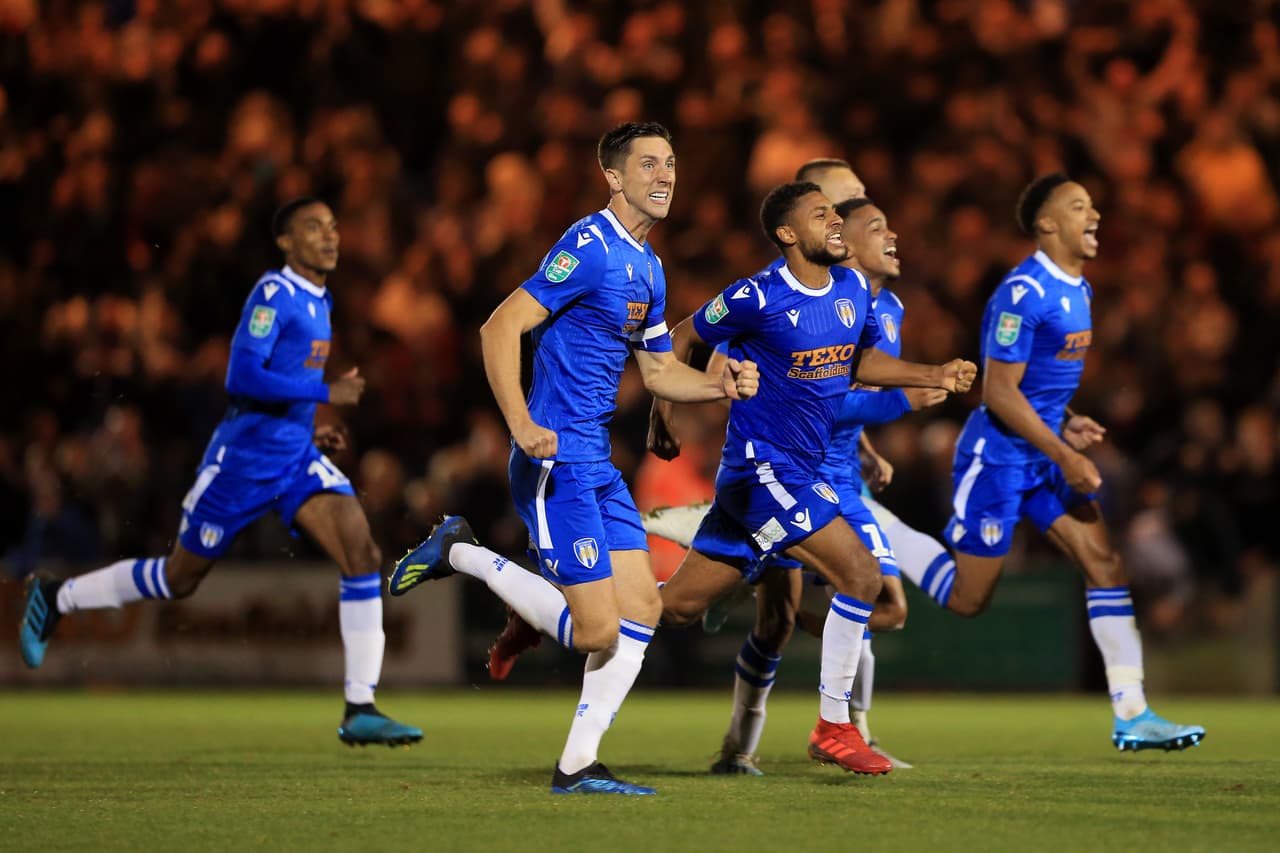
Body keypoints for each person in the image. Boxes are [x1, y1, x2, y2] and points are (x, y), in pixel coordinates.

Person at [385, 122, 759, 796]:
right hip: (553, 461)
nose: (664, 175)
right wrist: (522, 423)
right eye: (648, 164)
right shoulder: (587, 246)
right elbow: (499, 325)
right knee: (596, 629)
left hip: (597, 464)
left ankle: (577, 765)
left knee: (642, 610)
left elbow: (657, 370)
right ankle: (458, 550)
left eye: (670, 163)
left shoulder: (648, 267)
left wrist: (716, 384)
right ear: (613, 178)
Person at [19, 198, 422, 747]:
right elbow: (241, 375)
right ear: (285, 242)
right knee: (178, 578)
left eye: (332, 226)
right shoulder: (273, 295)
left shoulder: (320, 299)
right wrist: (324, 392)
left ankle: (361, 707)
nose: (329, 236)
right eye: (313, 227)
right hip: (242, 465)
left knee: (363, 552)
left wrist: (307, 431)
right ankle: (56, 596)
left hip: (294, 460)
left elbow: (280, 387)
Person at [650, 181, 976, 776]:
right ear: (787, 234)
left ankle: (545, 606)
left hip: (789, 475)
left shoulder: (851, 289)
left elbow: (859, 364)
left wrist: (931, 371)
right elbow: (685, 336)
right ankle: (835, 726)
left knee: (668, 611)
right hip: (763, 470)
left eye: (835, 212)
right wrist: (663, 415)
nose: (835, 222)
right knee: (859, 573)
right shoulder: (756, 295)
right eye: (821, 213)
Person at [893, 173, 1205, 752]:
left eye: (1093, 206)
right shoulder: (1022, 293)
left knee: (1105, 563)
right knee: (967, 598)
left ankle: (1132, 712)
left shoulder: (1079, 288)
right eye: (1079, 206)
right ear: (1046, 224)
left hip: (1041, 454)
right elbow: (999, 392)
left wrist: (1066, 422)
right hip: (999, 460)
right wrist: (1065, 452)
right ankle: (874, 523)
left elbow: (1035, 392)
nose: (1095, 216)